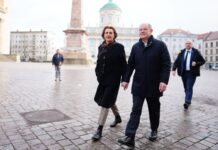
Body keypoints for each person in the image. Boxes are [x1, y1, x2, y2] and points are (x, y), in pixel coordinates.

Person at [118, 23, 171, 147]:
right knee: (135, 110)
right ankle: (130, 136)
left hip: (154, 85)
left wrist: (164, 81)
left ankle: (154, 130)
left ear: (151, 30)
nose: (142, 31)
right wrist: (125, 80)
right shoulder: (135, 47)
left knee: (154, 110)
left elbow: (166, 64)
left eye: (144, 29)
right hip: (138, 85)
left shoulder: (160, 45)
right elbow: (130, 65)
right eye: (140, 29)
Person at [92, 26, 127, 141]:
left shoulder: (119, 47)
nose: (108, 34)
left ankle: (99, 129)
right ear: (103, 35)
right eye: (106, 32)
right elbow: (98, 63)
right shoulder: (100, 47)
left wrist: (124, 79)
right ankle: (117, 117)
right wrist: (97, 74)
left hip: (113, 80)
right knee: (109, 100)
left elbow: (123, 65)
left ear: (114, 35)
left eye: (110, 33)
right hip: (102, 80)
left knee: (105, 102)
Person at [172, 40, 205, 109]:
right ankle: (188, 99)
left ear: (192, 44)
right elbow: (177, 61)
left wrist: (196, 63)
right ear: (185, 44)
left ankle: (187, 102)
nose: (188, 44)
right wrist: (174, 69)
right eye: (186, 43)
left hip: (192, 73)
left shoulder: (196, 52)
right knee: (185, 87)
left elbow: (203, 61)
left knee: (189, 87)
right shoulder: (182, 52)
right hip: (183, 73)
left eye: (189, 43)